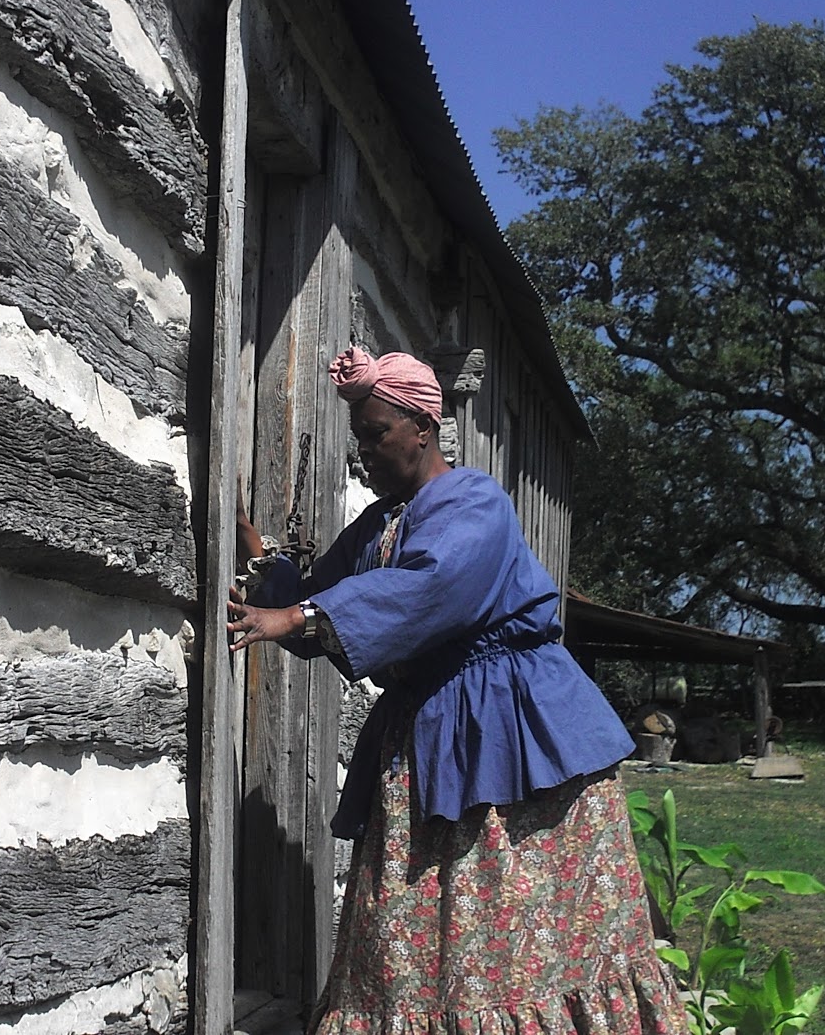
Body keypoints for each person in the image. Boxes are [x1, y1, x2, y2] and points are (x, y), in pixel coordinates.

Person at [229, 346, 688, 1035]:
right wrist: (268, 572)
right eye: (357, 437)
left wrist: (297, 615)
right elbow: (327, 607)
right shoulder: (379, 526)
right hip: (429, 744)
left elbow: (431, 587)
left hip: (515, 733)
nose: (364, 452)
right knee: (404, 934)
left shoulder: (475, 501)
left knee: (524, 928)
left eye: (376, 433)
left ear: (422, 426)